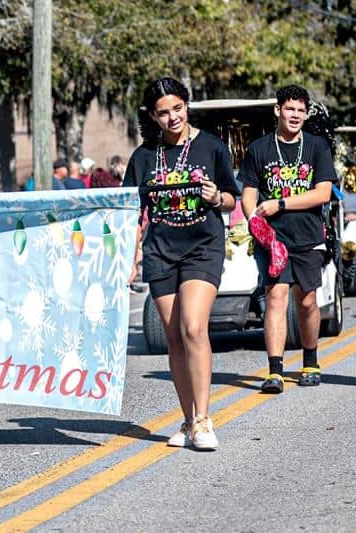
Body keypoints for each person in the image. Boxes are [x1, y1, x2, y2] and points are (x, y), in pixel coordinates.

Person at [123, 77, 238, 450]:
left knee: (192, 327)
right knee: (173, 336)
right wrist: (129, 258)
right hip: (160, 250)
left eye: (177, 108)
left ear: (187, 105)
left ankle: (204, 420)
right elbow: (127, 212)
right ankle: (187, 420)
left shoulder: (211, 147)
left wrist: (216, 195)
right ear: (153, 117)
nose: (172, 117)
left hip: (203, 246)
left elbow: (231, 202)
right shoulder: (143, 157)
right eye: (163, 112)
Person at [239, 85, 337, 393]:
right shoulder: (259, 149)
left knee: (307, 301)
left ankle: (310, 361)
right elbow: (249, 196)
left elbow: (322, 193)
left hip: (308, 236)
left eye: (300, 110)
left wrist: (281, 203)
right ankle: (275, 370)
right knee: (275, 298)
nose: (295, 115)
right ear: (277, 110)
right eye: (289, 109)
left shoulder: (317, 146)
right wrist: (255, 221)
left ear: (306, 114)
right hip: (274, 239)